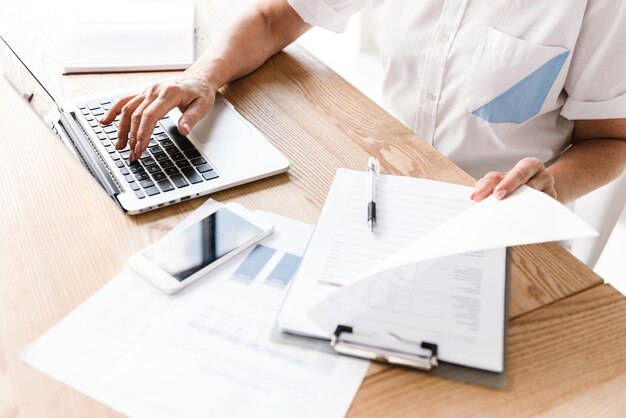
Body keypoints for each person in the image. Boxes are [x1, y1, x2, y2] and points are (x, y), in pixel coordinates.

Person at [100, 0, 626, 204]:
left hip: (500, 216)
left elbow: (611, 138)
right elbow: (272, 17)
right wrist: (203, 77)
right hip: (382, 181)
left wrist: (553, 186)